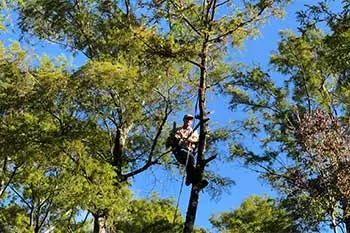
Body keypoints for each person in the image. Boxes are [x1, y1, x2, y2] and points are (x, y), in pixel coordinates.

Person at [167, 114, 207, 188]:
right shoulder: (177, 130)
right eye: (187, 118)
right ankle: (191, 179)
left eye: (190, 119)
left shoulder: (193, 131)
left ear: (191, 121)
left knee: (190, 163)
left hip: (189, 151)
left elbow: (195, 140)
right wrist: (175, 138)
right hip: (179, 151)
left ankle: (193, 180)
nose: (188, 120)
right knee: (191, 160)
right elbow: (168, 142)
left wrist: (185, 137)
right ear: (184, 119)